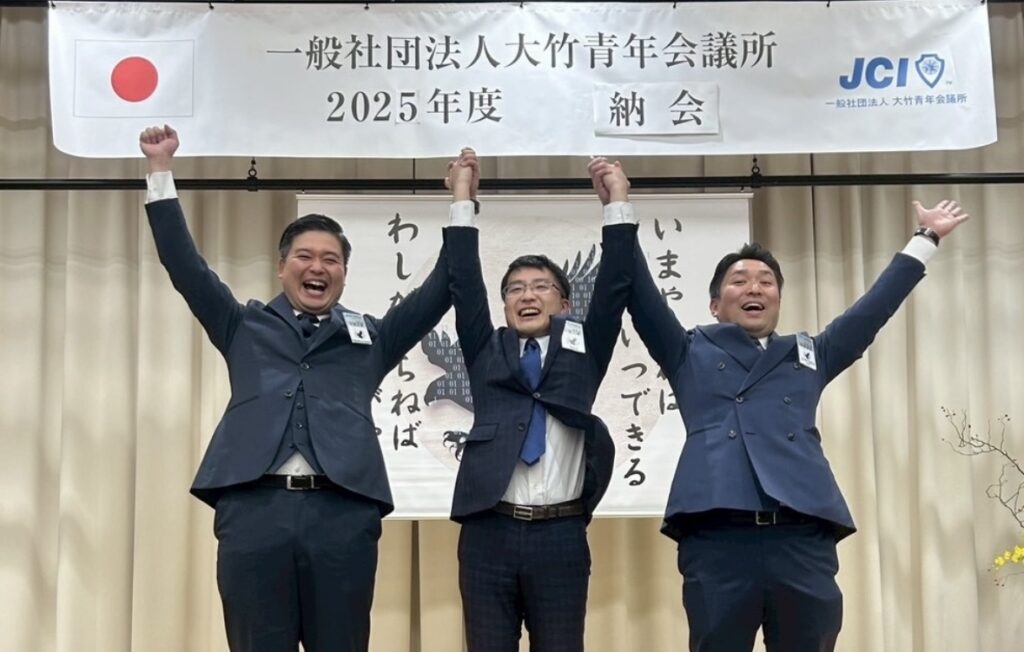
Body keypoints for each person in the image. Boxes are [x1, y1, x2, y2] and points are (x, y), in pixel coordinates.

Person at [589, 157, 969, 652]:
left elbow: (872, 310)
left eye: (766, 281)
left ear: (778, 299)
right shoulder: (686, 350)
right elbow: (637, 290)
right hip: (718, 535)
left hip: (802, 535)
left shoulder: (810, 354)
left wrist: (926, 238)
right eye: (739, 280)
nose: (755, 287)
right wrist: (618, 206)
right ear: (715, 304)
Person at [139, 125, 454, 652]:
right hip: (254, 511)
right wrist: (160, 169)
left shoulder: (371, 337)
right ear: (282, 266)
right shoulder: (242, 325)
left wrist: (462, 204)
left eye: (331, 259)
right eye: (305, 256)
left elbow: (439, 292)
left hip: (342, 514)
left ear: (345, 274)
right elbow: (183, 265)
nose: (318, 267)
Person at [442, 149, 637, 651]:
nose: (527, 296)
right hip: (489, 533)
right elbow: (463, 282)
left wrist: (616, 203)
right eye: (515, 290)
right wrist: (462, 199)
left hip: (561, 533)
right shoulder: (486, 349)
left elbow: (616, 284)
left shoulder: (584, 348)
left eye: (541, 287)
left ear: (564, 303)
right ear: (505, 304)